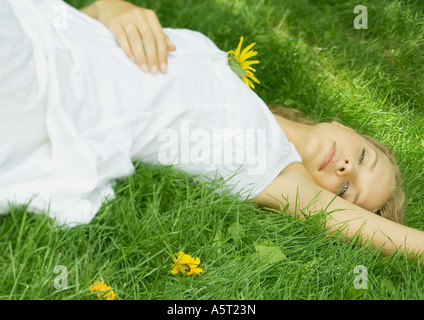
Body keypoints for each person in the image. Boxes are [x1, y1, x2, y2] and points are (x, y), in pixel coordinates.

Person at [1, 0, 423, 264]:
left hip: (47, 92)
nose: (347, 167)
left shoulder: (274, 169)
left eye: (346, 190)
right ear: (344, 127)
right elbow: (86, 21)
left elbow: (356, 227)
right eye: (363, 158)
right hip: (40, 21)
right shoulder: (229, 74)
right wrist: (112, 8)